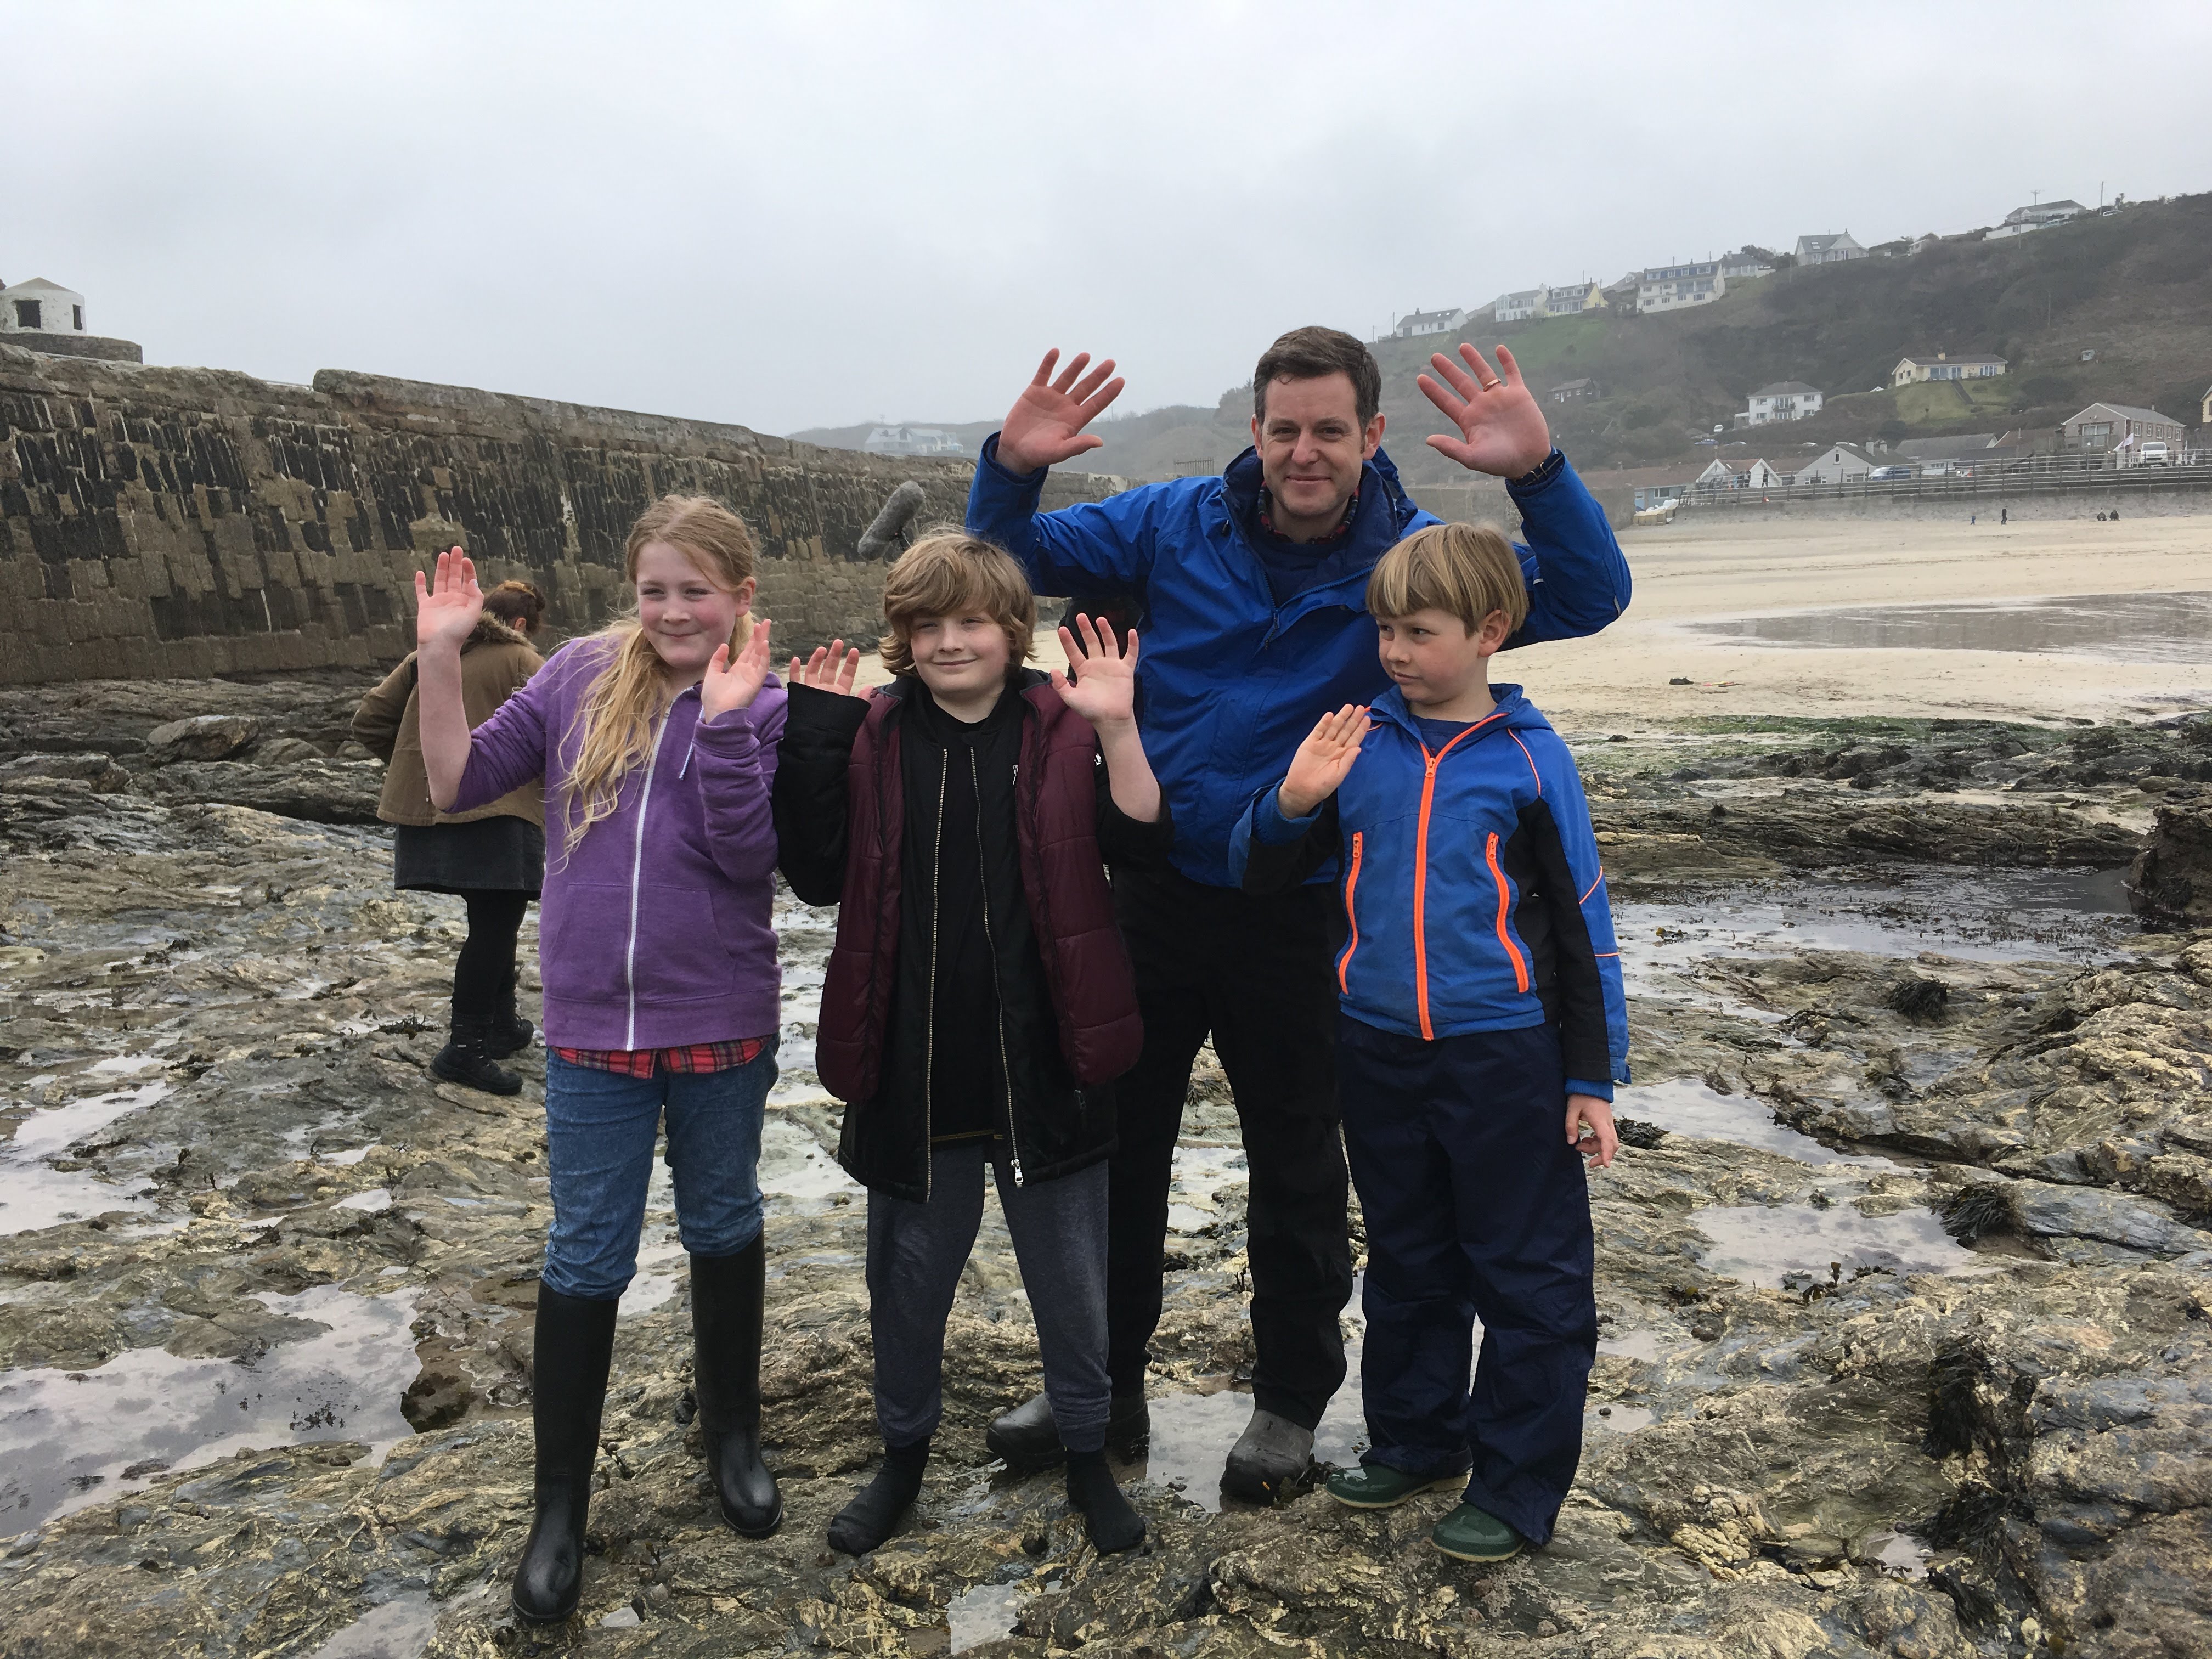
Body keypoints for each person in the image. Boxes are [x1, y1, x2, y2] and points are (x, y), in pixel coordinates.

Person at [966, 326, 1631, 1500]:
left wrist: (1536, 473)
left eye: (1330, 429)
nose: (1304, 451)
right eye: (1284, 429)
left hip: (1310, 908)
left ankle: (1287, 1403)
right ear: (1257, 432)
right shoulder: (1171, 521)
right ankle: (1101, 1387)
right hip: (1153, 891)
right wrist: (1012, 467)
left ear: (1371, 436)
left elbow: (1584, 591)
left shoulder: (1420, 563)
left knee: (1298, 1165)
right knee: (1113, 1151)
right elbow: (1002, 560)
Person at [411, 496, 788, 1624]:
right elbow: (454, 783)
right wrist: (439, 655)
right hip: (589, 1031)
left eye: (697, 592)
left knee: (724, 1220)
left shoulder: (765, 697)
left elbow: (750, 857)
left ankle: (732, 1437)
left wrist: (724, 727)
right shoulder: (576, 674)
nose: (674, 611)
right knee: (584, 1255)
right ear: (633, 594)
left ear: (739, 598)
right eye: (655, 590)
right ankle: (559, 1506)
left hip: (721, 1016)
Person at [1231, 521, 1628, 1563]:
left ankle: (1517, 1483)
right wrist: (1289, 802)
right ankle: (1416, 1436)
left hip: (1505, 1054)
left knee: (1528, 1275)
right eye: (1383, 629)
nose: (1394, 650)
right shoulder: (1353, 743)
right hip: (1373, 1048)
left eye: (1417, 630)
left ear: (1488, 629)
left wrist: (1591, 1074)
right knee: (1407, 1259)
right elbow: (1260, 872)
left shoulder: (1532, 760)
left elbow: (1584, 924)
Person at [772, 532, 1170, 1557]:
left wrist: (1119, 727)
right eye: (925, 624)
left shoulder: (1064, 718)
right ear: (902, 638)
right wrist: (809, 741)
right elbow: (815, 875)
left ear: (1012, 630)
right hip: (911, 1063)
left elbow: (1142, 839)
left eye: (971, 621)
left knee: (1073, 1283)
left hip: (1052, 1058)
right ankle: (900, 1451)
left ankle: (1089, 1454)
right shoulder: (872, 732)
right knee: (907, 1280)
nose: (950, 641)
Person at [354, 579, 549, 1094]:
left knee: (491, 924)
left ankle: (501, 1025)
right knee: (494, 927)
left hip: (429, 813)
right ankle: (464, 1051)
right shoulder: (523, 661)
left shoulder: (431, 653)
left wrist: (420, 773)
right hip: (501, 817)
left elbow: (370, 720)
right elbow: (567, 735)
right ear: (524, 624)